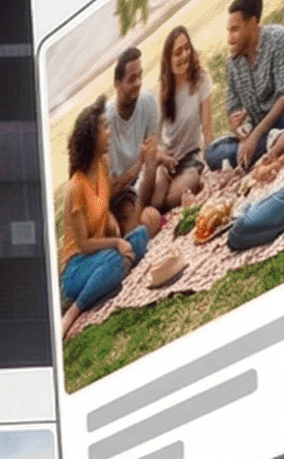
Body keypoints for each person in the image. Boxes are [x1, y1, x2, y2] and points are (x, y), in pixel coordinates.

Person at [60, 98, 153, 327]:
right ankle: (74, 310)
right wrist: (115, 242)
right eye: (104, 126)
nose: (109, 131)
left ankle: (106, 281)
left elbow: (114, 187)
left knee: (140, 236)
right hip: (77, 267)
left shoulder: (102, 164)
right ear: (92, 137)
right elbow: (83, 245)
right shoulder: (76, 187)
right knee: (117, 256)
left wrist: (140, 163)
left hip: (100, 256)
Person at [208, 0, 284, 173]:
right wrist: (239, 129)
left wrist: (255, 136)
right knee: (214, 154)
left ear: (252, 24)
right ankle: (274, 144)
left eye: (235, 30)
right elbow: (233, 109)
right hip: (259, 130)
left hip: (278, 119)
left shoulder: (278, 39)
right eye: (229, 31)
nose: (229, 38)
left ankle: (267, 146)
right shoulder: (232, 64)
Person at [106, 46, 166, 234]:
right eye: (132, 79)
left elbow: (151, 161)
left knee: (164, 177)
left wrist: (151, 161)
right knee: (148, 220)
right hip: (118, 193)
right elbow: (107, 193)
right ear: (117, 84)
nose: (138, 83)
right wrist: (137, 167)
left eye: (140, 76)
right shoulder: (106, 124)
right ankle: (135, 223)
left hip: (141, 184)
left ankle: (143, 215)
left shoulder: (148, 102)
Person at [153, 27, 214, 210]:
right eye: (177, 52)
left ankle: (190, 187)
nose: (185, 55)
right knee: (157, 201)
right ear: (168, 60)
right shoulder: (163, 93)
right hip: (167, 161)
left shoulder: (200, 80)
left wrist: (211, 159)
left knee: (171, 200)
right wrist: (163, 158)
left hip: (191, 158)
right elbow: (153, 141)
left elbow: (208, 129)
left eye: (187, 48)